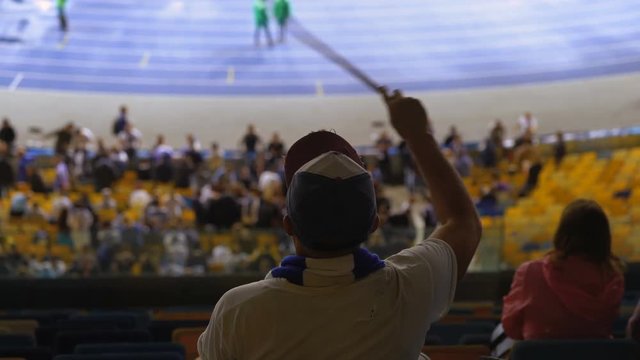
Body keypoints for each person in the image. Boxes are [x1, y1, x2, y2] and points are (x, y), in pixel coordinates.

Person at [197, 89, 482, 359]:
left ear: (288, 225)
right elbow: (464, 223)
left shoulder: (238, 311)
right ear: (374, 224)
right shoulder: (410, 287)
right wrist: (417, 134)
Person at [502, 199, 624, 340]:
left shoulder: (530, 271)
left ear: (561, 232)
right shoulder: (613, 279)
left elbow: (511, 326)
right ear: (605, 237)